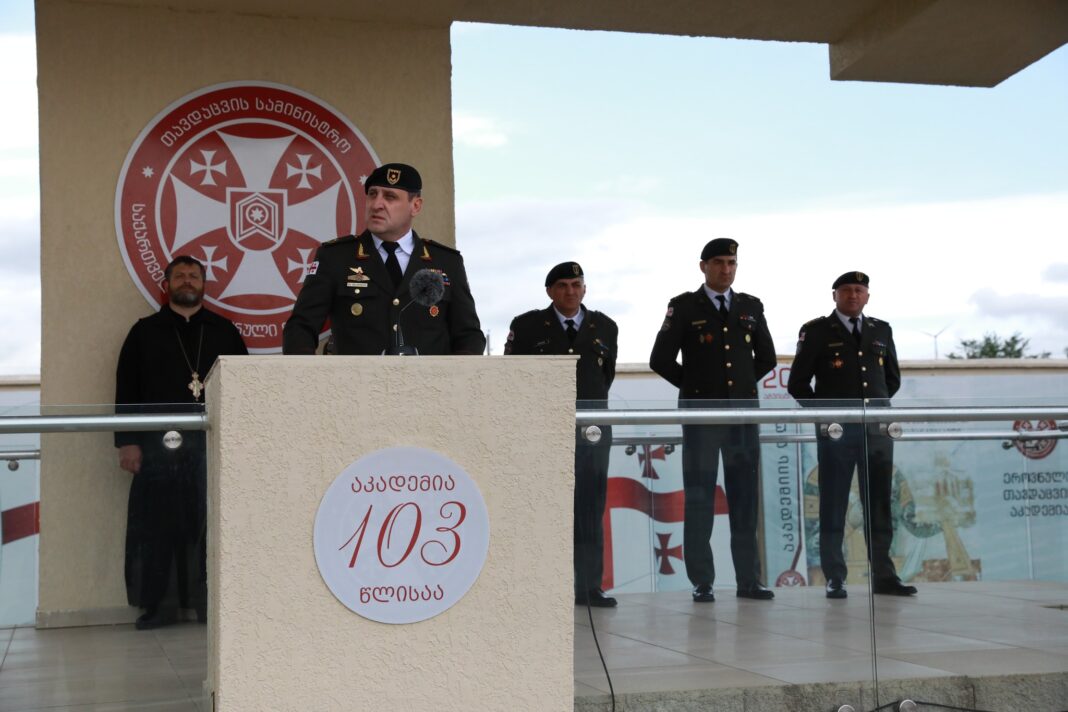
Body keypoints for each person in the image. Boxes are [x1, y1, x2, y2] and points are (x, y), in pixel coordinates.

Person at [115, 256, 248, 629]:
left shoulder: (224, 332)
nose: (187, 280)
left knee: (209, 527)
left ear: (204, 284)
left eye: (193, 275)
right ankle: (157, 607)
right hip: (156, 450)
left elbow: (242, 391)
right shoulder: (143, 332)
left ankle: (209, 605)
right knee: (156, 528)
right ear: (167, 284)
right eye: (180, 276)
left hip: (211, 446)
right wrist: (127, 442)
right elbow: (127, 390)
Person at [649, 238, 776, 602]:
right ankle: (702, 581)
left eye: (731, 262)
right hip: (702, 418)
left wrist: (738, 390)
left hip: (742, 418)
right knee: (701, 499)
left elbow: (765, 357)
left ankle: (749, 580)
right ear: (703, 266)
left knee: (744, 501)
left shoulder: (751, 306)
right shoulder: (685, 306)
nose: (726, 269)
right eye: (719, 262)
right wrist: (696, 389)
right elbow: (660, 359)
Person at [786, 271, 916, 598]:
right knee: (834, 503)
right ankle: (835, 576)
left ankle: (884, 576)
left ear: (868, 296)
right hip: (837, 431)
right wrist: (826, 415)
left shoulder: (881, 330)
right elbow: (798, 384)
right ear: (835, 296)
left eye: (859, 290)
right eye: (846, 290)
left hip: (876, 429)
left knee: (879, 503)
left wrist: (875, 411)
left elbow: (891, 380)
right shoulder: (816, 331)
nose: (853, 295)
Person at [505, 262, 618, 607]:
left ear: (585, 288)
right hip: (542, 431)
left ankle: (588, 587)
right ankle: (543, 588)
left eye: (576, 284)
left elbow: (605, 377)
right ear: (550, 291)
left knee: (589, 507)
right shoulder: (526, 326)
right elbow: (514, 376)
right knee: (544, 508)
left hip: (591, 432)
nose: (570, 291)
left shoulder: (605, 326)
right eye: (563, 285)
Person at [282, 163, 485, 355]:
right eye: (372, 194)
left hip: (428, 388)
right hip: (356, 388)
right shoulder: (336, 257)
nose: (377, 204)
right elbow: (300, 329)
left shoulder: (446, 262)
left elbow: (469, 336)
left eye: (390, 197)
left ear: (415, 206)